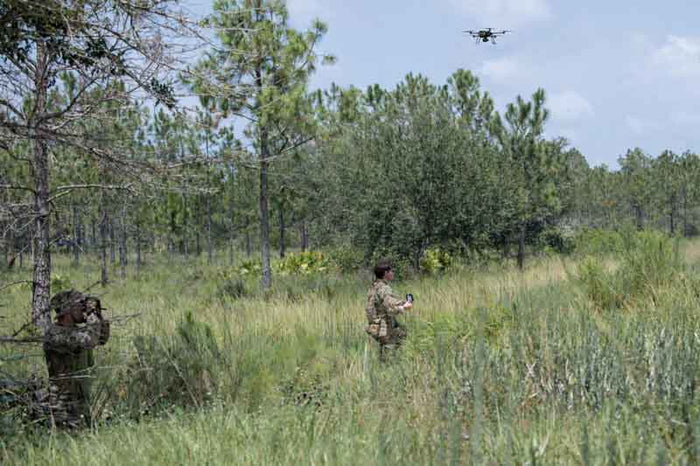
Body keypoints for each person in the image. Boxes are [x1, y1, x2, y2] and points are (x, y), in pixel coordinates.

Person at [41, 289, 110, 428]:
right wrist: (91, 315)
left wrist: (97, 315)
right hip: (63, 403)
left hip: (81, 400)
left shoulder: (77, 331)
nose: (83, 308)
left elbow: (101, 339)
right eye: (80, 304)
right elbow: (89, 339)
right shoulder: (55, 335)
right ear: (67, 309)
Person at [365, 260, 413, 360]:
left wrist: (401, 304)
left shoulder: (374, 287)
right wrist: (402, 306)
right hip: (385, 325)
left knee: (397, 337)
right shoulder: (384, 288)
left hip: (376, 325)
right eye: (391, 271)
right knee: (394, 344)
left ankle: (384, 365)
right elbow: (388, 301)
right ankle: (390, 366)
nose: (393, 273)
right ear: (385, 273)